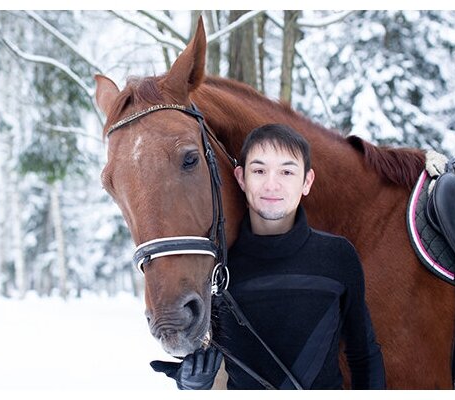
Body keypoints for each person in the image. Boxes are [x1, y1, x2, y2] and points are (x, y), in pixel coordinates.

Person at [151, 124, 386, 389]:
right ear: (241, 178)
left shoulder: (337, 256)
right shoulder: (219, 267)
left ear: (306, 181)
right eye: (259, 171)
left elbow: (363, 353)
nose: (271, 184)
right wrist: (193, 382)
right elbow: (208, 350)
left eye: (286, 171)